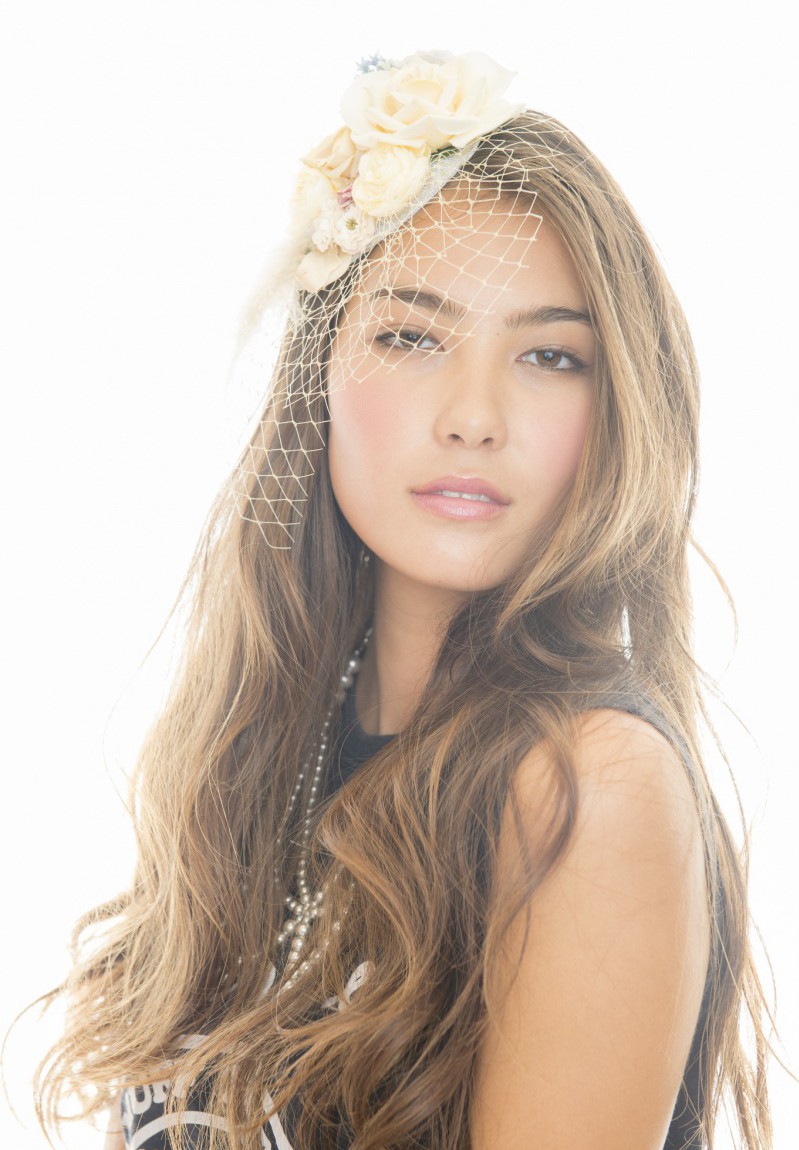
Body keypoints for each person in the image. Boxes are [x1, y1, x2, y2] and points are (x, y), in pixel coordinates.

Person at [36, 50, 773, 1150]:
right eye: (412, 336)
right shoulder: (258, 748)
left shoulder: (583, 787)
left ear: (617, 405)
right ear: (321, 373)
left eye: (549, 356)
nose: (473, 415)